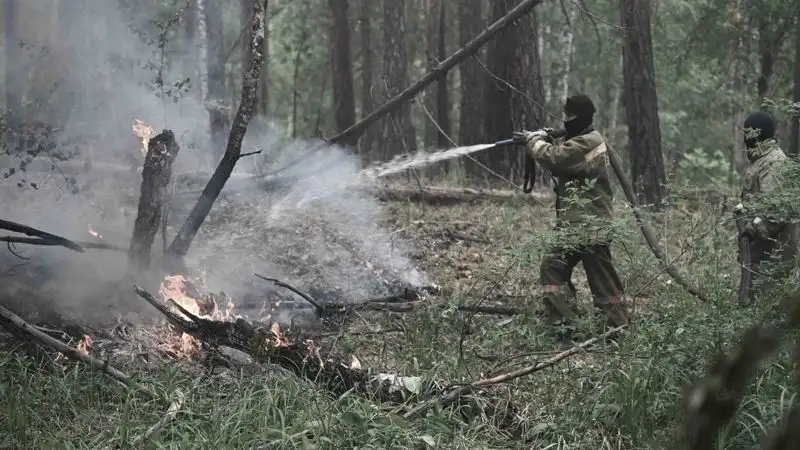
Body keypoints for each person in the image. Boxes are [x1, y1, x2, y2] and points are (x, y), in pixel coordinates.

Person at [513, 94, 630, 327]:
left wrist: (533, 141)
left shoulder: (589, 142)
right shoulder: (584, 139)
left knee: (600, 279)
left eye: (569, 116)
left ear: (579, 117)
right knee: (554, 268)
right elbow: (567, 158)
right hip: (577, 225)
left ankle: (615, 327)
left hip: (588, 225)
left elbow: (556, 158)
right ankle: (565, 324)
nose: (565, 120)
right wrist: (545, 137)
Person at [738, 111, 797, 299]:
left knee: (767, 302)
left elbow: (775, 210)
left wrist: (752, 229)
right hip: (762, 245)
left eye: (748, 133)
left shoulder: (773, 163)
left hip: (773, 247)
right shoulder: (762, 160)